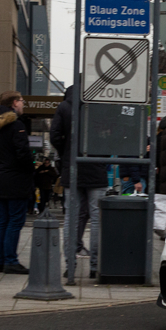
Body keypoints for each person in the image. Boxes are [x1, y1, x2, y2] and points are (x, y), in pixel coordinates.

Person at [50, 85, 107, 279]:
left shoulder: (64, 107)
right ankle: (94, 265)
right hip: (96, 168)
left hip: (71, 168)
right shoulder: (98, 105)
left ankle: (70, 266)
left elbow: (54, 136)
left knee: (71, 219)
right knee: (97, 218)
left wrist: (67, 152)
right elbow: (110, 134)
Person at [0, 91, 34, 274]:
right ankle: (10, 260)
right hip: (16, 180)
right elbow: (23, 154)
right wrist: (30, 170)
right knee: (14, 221)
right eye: (21, 101)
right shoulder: (16, 125)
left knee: (0, 221)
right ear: (14, 103)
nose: (23, 103)